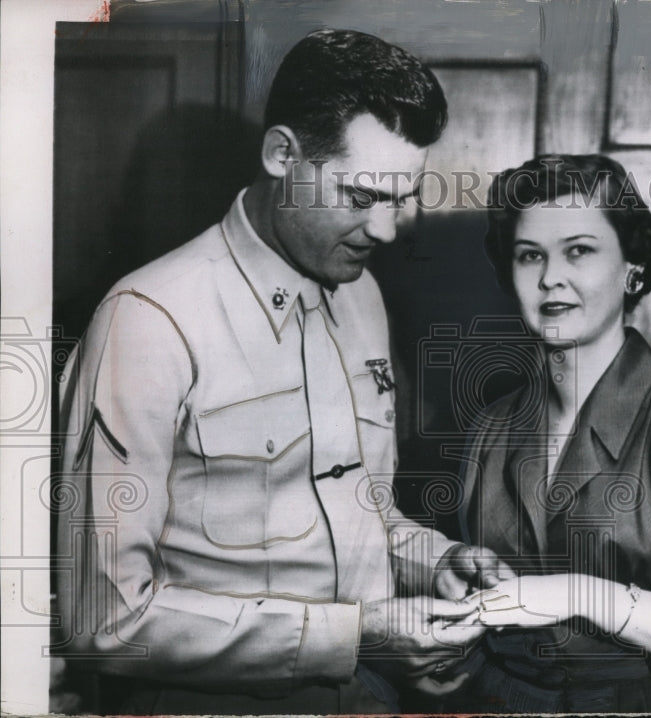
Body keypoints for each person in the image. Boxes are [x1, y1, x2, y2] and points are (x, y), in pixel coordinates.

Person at [54, 29, 509, 715]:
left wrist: (434, 561)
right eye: (361, 197)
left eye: (402, 197)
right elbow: (102, 622)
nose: (386, 230)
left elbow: (359, 512)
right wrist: (355, 636)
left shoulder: (360, 293)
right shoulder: (147, 319)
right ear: (282, 155)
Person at [437, 154, 651, 712]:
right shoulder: (490, 424)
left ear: (632, 267)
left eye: (579, 251)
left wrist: (576, 595)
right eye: (529, 255)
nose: (549, 277)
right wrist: (459, 570)